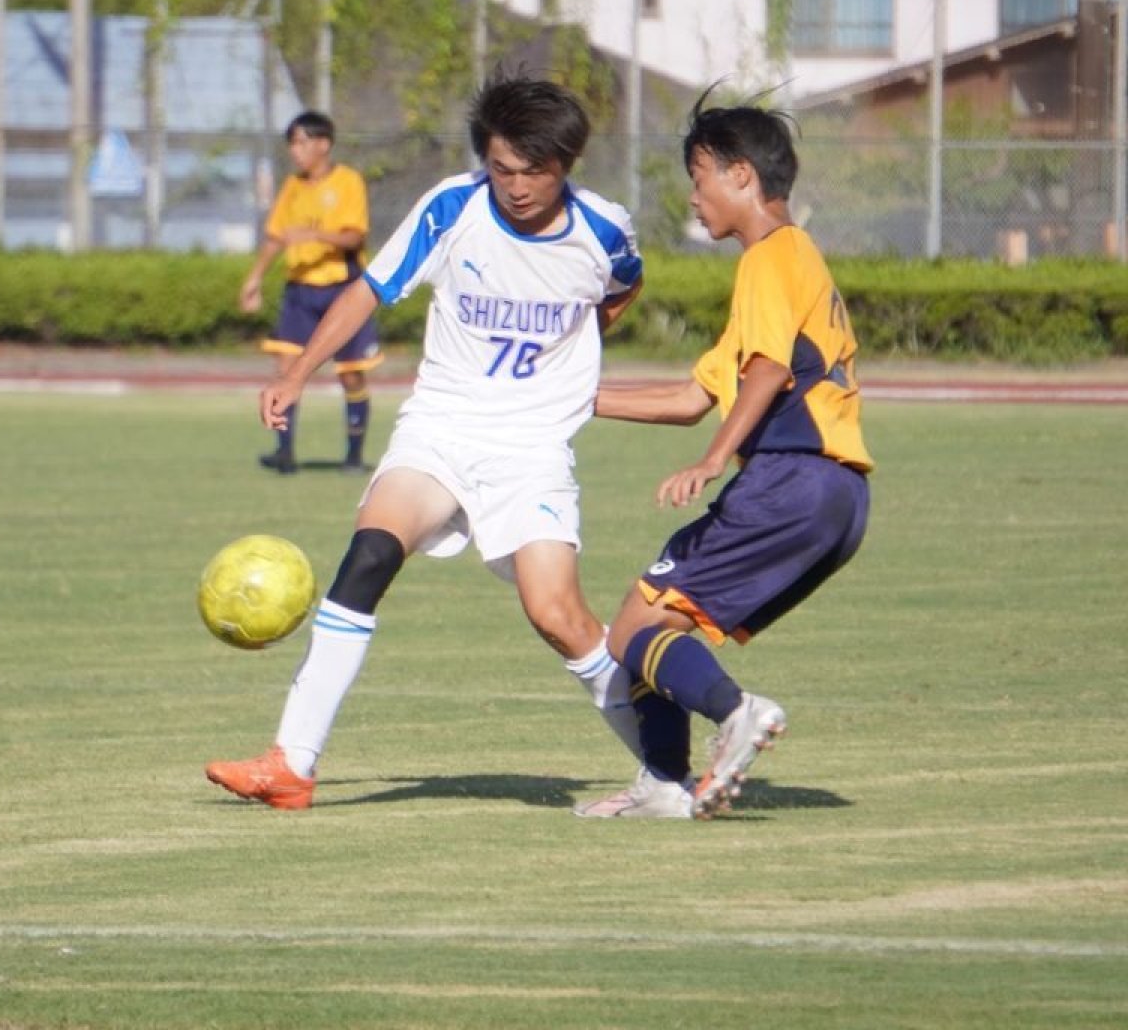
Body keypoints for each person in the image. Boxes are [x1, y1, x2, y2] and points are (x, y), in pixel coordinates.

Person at [206, 73, 645, 809]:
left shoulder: (603, 232)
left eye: (533, 170)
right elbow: (368, 290)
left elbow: (623, 288)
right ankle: (292, 763)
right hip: (440, 426)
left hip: (531, 446)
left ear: (566, 162)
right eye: (502, 168)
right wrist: (299, 374)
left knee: (558, 617)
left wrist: (571, 355)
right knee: (370, 552)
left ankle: (667, 767)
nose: (515, 186)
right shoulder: (452, 207)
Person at [574, 93, 873, 820]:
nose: (693, 193)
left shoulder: (773, 255)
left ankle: (736, 714)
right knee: (639, 622)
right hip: (831, 498)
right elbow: (686, 397)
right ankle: (666, 785)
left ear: (742, 175)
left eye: (699, 175)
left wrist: (713, 460)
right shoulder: (784, 265)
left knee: (638, 632)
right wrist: (566, 397)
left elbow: (770, 369)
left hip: (791, 479)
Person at [240, 111, 383, 475]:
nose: (295, 150)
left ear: (324, 144)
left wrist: (315, 235)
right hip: (300, 292)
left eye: (302, 141)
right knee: (286, 369)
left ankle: (353, 455)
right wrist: (254, 277)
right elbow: (277, 237)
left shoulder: (348, 181)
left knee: (351, 375)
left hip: (343, 289)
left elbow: (355, 236)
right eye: (292, 142)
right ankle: (284, 451)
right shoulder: (293, 186)